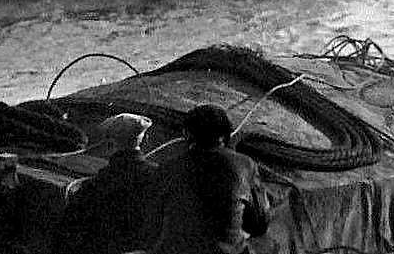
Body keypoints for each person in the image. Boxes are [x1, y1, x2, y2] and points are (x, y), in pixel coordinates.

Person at [150, 104, 271, 254]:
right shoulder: (244, 165)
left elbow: (152, 225)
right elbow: (259, 225)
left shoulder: (168, 167)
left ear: (186, 134)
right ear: (227, 134)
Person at [54, 114, 160, 254]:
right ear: (144, 140)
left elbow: (68, 232)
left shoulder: (96, 186)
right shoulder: (161, 177)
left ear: (109, 145)